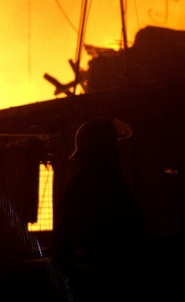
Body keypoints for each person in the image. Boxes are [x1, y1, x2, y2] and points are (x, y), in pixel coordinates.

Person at [53, 118, 144, 294]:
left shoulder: (105, 184)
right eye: (111, 147)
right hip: (101, 280)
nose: (115, 152)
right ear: (101, 151)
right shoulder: (96, 186)